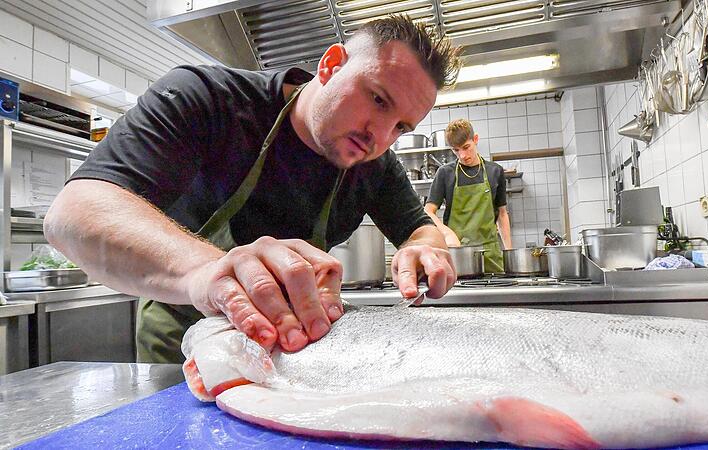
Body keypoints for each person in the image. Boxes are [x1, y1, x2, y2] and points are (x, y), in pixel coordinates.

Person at [43, 15, 461, 363]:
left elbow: (418, 227)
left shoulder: (376, 166)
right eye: (378, 100)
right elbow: (73, 213)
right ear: (331, 64)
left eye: (401, 128)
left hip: (292, 347)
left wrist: (425, 247)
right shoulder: (208, 99)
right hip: (184, 344)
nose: (380, 136)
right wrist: (210, 272)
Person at [424, 119, 511, 273]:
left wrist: (509, 252)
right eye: (456, 150)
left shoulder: (495, 171)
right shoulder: (445, 173)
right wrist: (447, 233)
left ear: (475, 139)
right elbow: (428, 211)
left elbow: (502, 214)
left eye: (466, 147)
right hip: (458, 255)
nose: (462, 155)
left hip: (490, 253)